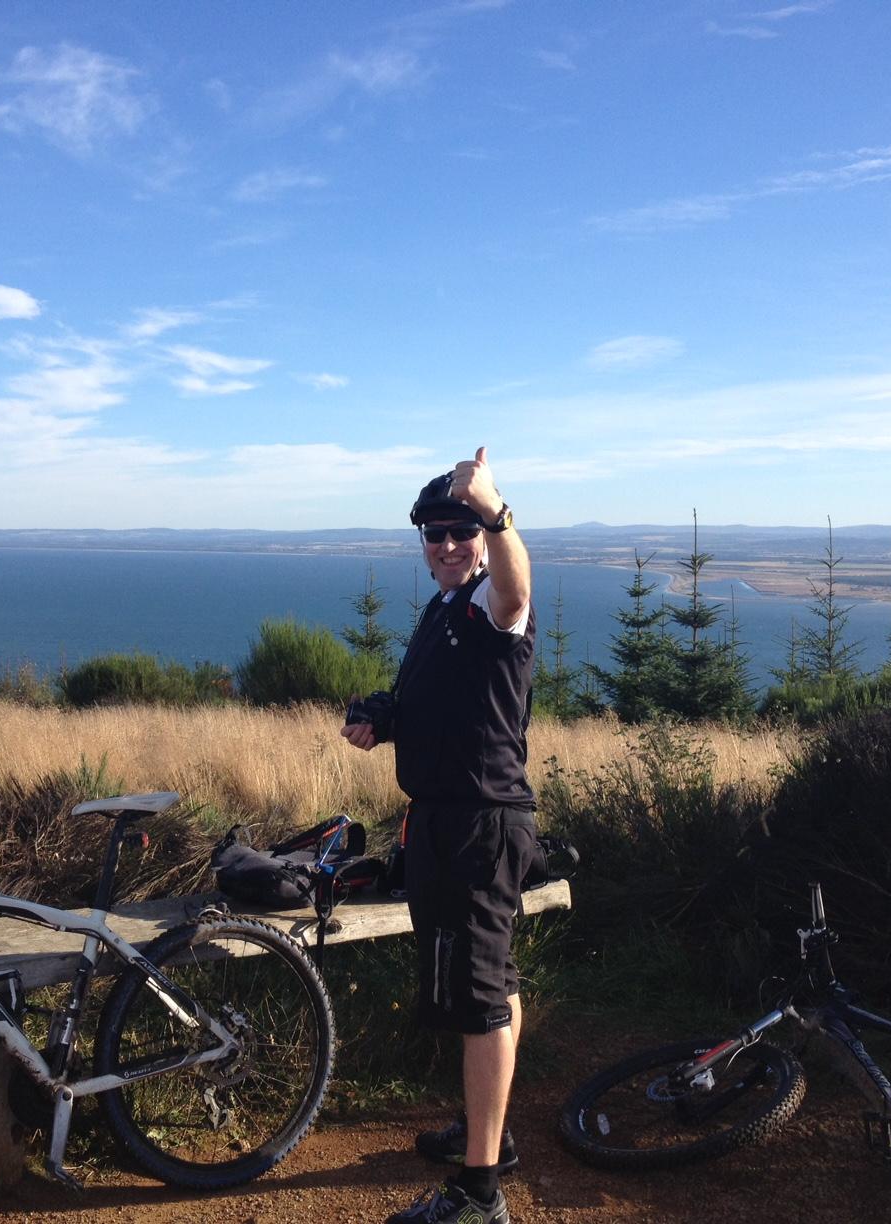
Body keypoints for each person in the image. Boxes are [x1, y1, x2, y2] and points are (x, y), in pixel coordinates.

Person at [341, 446, 534, 1224]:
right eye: (436, 533)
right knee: (496, 986)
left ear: (483, 536)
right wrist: (386, 719)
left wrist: (497, 508)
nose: (450, 544)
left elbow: (520, 588)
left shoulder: (494, 600)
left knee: (480, 999)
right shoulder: (444, 608)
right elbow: (440, 702)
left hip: (475, 830)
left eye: (464, 531)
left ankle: (479, 1195)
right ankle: (491, 1133)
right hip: (455, 824)